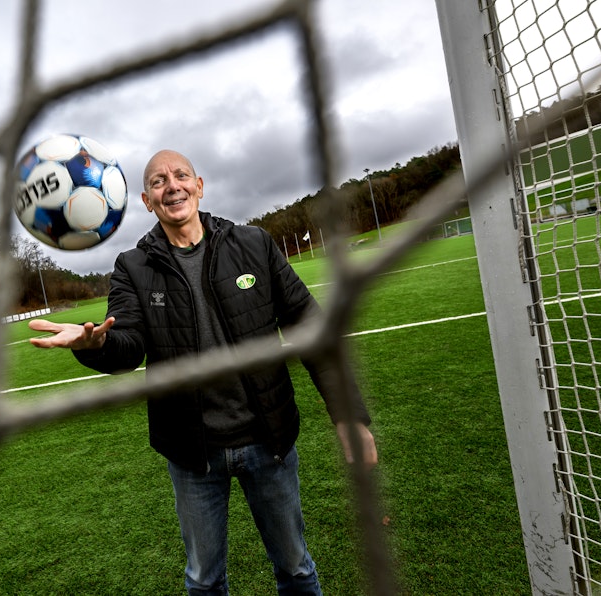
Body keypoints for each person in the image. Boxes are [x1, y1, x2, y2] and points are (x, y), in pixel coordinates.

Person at [28, 149, 377, 595]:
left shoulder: (253, 244)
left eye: (180, 176)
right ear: (146, 200)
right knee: (204, 579)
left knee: (295, 567)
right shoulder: (133, 267)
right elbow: (127, 346)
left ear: (199, 185)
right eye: (158, 181)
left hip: (267, 441)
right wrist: (94, 344)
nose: (171, 185)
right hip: (192, 452)